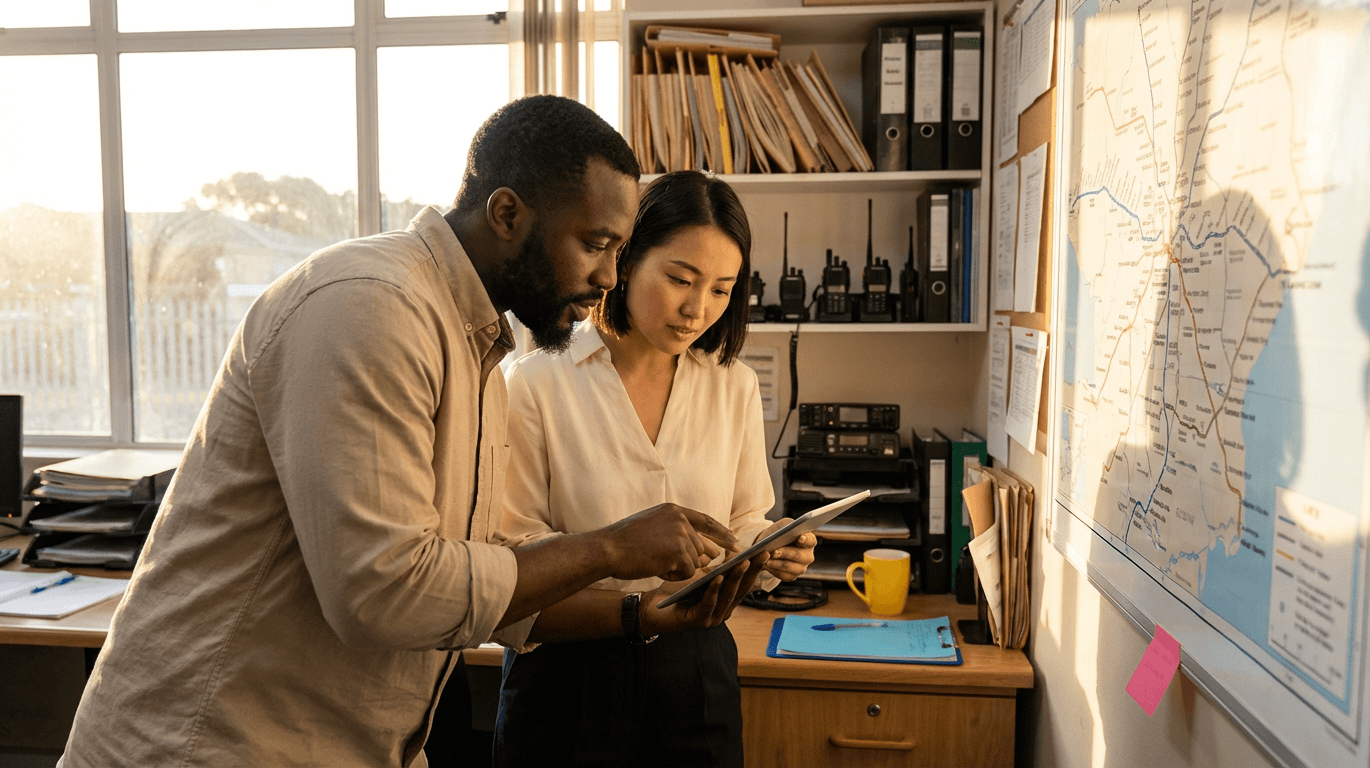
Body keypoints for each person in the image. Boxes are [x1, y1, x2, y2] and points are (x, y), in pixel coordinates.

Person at [58, 97, 750, 768]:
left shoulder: (472, 340)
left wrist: (637, 616)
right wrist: (609, 548)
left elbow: (478, 569)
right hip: (209, 747)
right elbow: (388, 591)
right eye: (595, 244)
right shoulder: (370, 306)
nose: (606, 277)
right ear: (507, 213)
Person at [491, 171, 818, 767]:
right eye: (679, 279)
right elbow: (512, 563)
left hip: (696, 672)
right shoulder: (535, 383)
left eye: (722, 289)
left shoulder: (732, 385)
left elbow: (743, 517)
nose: (698, 310)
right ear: (625, 260)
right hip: (567, 678)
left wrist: (767, 548)